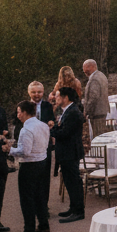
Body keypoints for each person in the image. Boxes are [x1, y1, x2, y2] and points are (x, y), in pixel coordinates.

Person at [7, 101, 51, 232]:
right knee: (39, 195)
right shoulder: (43, 125)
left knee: (27, 199)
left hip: (29, 165)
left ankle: (29, 231)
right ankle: (44, 224)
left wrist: (9, 149)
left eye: (19, 111)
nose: (17, 114)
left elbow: (24, 151)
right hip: (42, 162)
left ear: (25, 112)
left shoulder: (26, 130)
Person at [49, 86, 86, 222]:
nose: (55, 98)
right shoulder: (67, 111)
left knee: (74, 181)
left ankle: (79, 211)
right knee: (69, 182)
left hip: (70, 152)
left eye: (58, 96)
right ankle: (73, 207)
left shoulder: (72, 113)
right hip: (66, 152)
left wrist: (51, 131)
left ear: (66, 98)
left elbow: (65, 133)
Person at [82, 59, 109, 132]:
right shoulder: (101, 75)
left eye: (86, 68)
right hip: (102, 111)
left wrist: (87, 112)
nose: (84, 71)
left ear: (92, 67)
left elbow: (93, 97)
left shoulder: (94, 79)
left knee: (98, 136)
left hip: (97, 113)